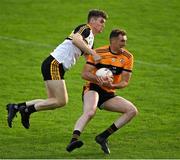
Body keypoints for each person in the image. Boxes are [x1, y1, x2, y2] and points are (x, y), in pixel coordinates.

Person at [6, 9, 108, 129]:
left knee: (52, 101)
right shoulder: (85, 28)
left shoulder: (91, 40)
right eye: (101, 21)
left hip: (55, 65)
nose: (103, 25)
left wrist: (100, 72)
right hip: (55, 64)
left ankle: (16, 107)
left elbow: (89, 59)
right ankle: (27, 111)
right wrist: (93, 53)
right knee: (61, 101)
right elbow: (76, 39)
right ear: (93, 20)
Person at [66, 29, 138, 154]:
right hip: (93, 88)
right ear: (113, 41)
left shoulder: (128, 57)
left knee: (132, 111)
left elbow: (125, 81)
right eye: (122, 41)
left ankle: (103, 137)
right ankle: (73, 140)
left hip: (108, 92)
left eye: (125, 41)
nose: (124, 44)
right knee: (90, 112)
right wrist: (98, 79)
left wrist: (112, 85)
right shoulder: (99, 52)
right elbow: (84, 74)